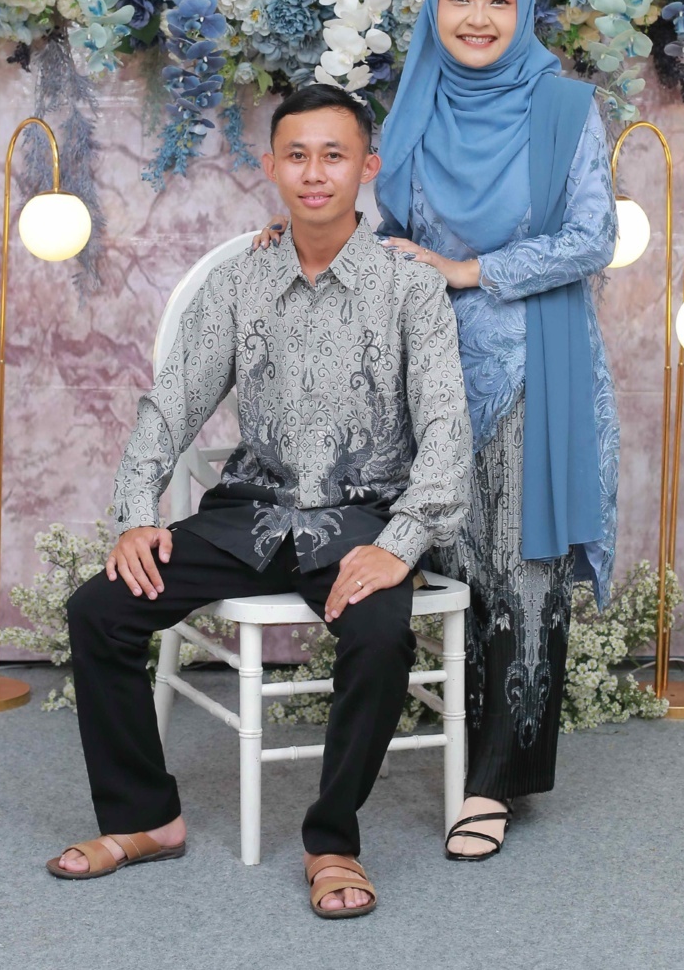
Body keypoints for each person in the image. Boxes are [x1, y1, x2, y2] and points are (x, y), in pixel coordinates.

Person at [50, 84, 473, 918]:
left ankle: (333, 842)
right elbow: (171, 404)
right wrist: (137, 512)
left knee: (380, 633)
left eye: (334, 156)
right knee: (99, 609)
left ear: (367, 167)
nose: (315, 174)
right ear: (274, 167)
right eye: (297, 156)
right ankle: (145, 819)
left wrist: (402, 543)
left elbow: (446, 427)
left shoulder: (409, 287)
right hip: (250, 513)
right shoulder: (240, 280)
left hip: (362, 518)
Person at [256, 0, 618, 861]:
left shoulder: (567, 107)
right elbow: (384, 229)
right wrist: (293, 230)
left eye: (500, 0)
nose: (478, 17)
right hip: (424, 363)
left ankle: (493, 783)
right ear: (434, 9)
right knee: (452, 559)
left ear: (524, 10)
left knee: (519, 566)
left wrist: (471, 271)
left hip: (532, 358)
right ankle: (462, 744)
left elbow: (593, 237)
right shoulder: (414, 101)